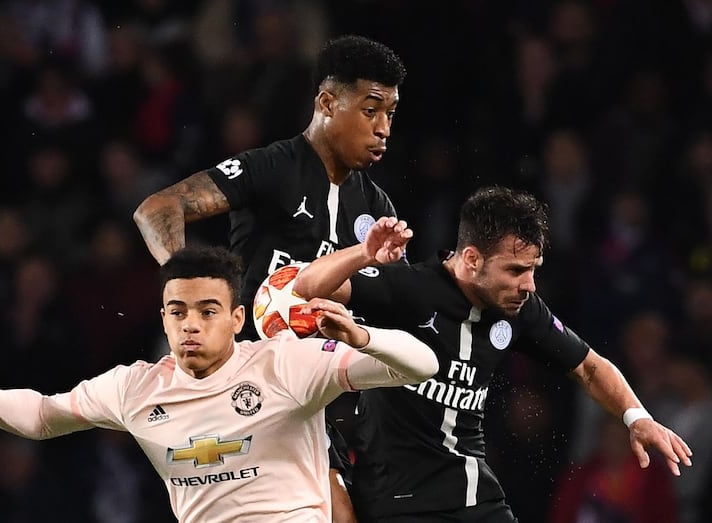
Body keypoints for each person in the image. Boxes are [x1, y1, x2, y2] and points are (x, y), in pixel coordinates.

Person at [0, 245, 438, 523]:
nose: (190, 324)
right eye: (178, 312)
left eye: (207, 311)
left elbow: (422, 365)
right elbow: (42, 415)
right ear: (164, 319)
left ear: (238, 318)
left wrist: (362, 336)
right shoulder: (136, 389)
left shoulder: (287, 365)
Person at [293, 187, 694, 522]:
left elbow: (589, 367)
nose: (529, 285)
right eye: (516, 270)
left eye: (533, 268)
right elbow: (308, 286)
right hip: (398, 500)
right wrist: (363, 254)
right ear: (471, 259)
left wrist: (637, 417)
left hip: (475, 497)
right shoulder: (409, 290)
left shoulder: (518, 308)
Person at [132, 33, 408, 519]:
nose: (384, 128)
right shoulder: (274, 168)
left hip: (317, 396)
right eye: (370, 111)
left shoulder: (375, 210)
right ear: (326, 102)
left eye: (390, 113)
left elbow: (397, 307)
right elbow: (158, 208)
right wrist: (194, 289)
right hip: (243, 383)